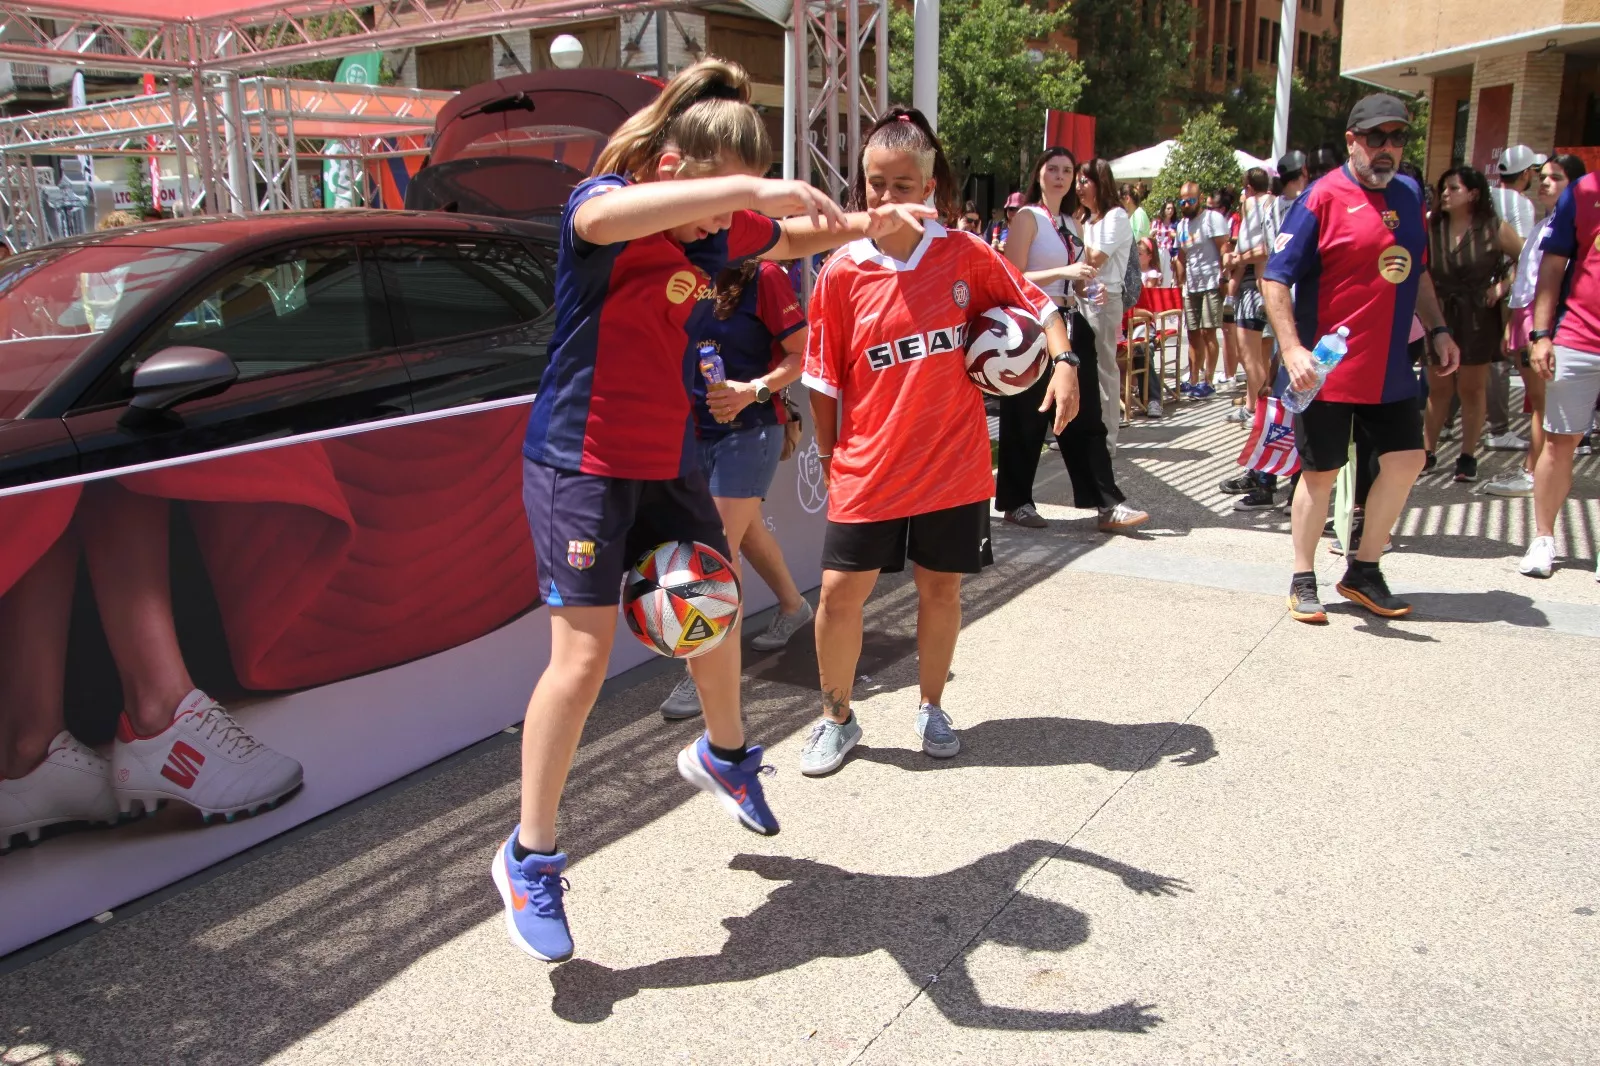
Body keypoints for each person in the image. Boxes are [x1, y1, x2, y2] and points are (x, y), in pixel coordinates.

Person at [498, 57, 934, 963]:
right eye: (714, 201)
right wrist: (755, 190)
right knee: (581, 663)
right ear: (673, 169)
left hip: (666, 457)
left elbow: (792, 236)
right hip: (580, 462)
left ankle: (724, 757)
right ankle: (528, 858)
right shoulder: (603, 208)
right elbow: (614, 218)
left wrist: (871, 223)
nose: (719, 230)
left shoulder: (714, 230)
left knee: (717, 606)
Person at [797, 108, 1081, 777]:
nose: (887, 197)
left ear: (929, 187)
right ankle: (836, 716)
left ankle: (931, 707)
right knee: (838, 594)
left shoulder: (963, 253)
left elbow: (1037, 304)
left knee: (941, 590)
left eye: (903, 184)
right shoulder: (841, 271)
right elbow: (822, 380)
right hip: (868, 466)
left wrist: (1064, 361)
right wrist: (830, 455)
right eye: (876, 183)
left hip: (952, 464)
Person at [1263, 93, 1460, 624]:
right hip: (1327, 367)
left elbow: (1418, 270)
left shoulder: (1410, 194)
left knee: (1408, 459)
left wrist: (1439, 328)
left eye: (1397, 138)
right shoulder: (1321, 198)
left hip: (1390, 364)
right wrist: (1292, 348)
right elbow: (1274, 278)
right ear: (1352, 141)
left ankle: (1364, 570)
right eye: (1376, 138)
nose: (1387, 148)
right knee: (1321, 471)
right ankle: (1303, 577)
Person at [658, 258, 813, 718]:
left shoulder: (764, 276)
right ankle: (793, 607)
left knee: (715, 552)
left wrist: (753, 390)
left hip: (751, 430)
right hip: (692, 431)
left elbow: (802, 354)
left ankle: (706, 674)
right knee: (744, 533)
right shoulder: (678, 269)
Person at [993, 146, 1092, 528]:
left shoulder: (1072, 222)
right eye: (1053, 169)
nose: (1060, 176)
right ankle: (1016, 501)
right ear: (1039, 174)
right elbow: (1012, 276)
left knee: (1077, 409)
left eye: (1067, 170)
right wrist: (1065, 271)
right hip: (1033, 322)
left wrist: (1085, 286)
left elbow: (1074, 278)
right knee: (1026, 413)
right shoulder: (1028, 217)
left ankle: (1101, 499)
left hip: (1068, 318)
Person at [1488, 154, 1587, 499]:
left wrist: (1543, 330)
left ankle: (1533, 471)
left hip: (1547, 320)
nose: (1544, 182)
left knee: (1543, 402)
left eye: (1555, 178)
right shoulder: (1545, 223)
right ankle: (1534, 468)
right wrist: (1512, 324)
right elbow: (1526, 279)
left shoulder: (1576, 228)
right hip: (1525, 316)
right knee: (1538, 400)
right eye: (1543, 176)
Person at [1519, 161, 1600, 579]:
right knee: (1558, 442)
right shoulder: (1584, 191)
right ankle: (1544, 538)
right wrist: (1541, 334)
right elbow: (1552, 266)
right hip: (1579, 336)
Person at [1421, 166, 1522, 484]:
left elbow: (1528, 258)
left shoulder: (1493, 227)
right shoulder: (1431, 226)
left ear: (1474, 193)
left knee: (1471, 387)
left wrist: (1503, 286)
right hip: (1439, 312)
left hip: (1478, 314)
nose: (1445, 194)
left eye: (1453, 188)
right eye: (1443, 188)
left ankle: (1467, 456)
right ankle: (1427, 452)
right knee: (1438, 387)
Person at [1479, 145, 1546, 453]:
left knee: (1466, 355)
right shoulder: (1522, 204)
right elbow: (1524, 254)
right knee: (1499, 358)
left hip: (1474, 285)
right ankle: (1499, 429)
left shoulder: (1487, 196)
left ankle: (1450, 421)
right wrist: (1507, 286)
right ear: (1527, 173)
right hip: (1503, 288)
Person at [1077, 158, 1135, 446]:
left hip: (1105, 299)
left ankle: (1107, 438)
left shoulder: (1116, 217)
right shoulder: (1085, 220)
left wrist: (1073, 235)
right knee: (1081, 368)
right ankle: (1085, 431)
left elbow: (1095, 259)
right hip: (1081, 297)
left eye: (1083, 181)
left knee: (1103, 369)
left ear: (1099, 183)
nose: (1078, 187)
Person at [1226, 167, 1278, 440]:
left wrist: (1238, 258)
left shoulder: (1261, 205)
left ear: (1248, 187)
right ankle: (1254, 407)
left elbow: (1266, 249)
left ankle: (1262, 412)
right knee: (1257, 356)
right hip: (1258, 287)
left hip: (1255, 288)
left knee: (1250, 356)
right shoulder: (1270, 205)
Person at [1175, 181, 1230, 397]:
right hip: (1191, 285)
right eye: (1182, 201)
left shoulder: (1212, 219)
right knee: (1192, 333)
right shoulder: (1181, 226)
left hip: (1211, 282)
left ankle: (1208, 381)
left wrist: (1224, 278)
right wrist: (1179, 282)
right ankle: (1193, 379)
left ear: (1200, 198)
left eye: (1190, 200)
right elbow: (1181, 256)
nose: (1186, 205)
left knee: (1209, 332)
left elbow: (1224, 248)